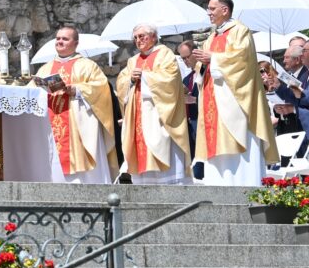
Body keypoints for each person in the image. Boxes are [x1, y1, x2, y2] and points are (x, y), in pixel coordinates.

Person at [190, 0, 279, 186]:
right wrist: (204, 63)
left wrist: (212, 58)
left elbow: (242, 60)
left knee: (239, 143)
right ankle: (218, 185)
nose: (209, 12)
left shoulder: (240, 31)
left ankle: (244, 185)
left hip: (235, 101)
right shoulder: (212, 36)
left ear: (225, 10)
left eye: (212, 9)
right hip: (213, 100)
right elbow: (202, 69)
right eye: (208, 9)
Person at [33, 27, 118, 183]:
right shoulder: (45, 68)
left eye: (65, 39)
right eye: (58, 38)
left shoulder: (87, 65)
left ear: (76, 43)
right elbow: (31, 92)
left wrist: (76, 89)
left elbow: (101, 88)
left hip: (79, 124)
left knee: (84, 174)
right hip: (52, 123)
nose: (60, 41)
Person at [116, 24, 191, 184]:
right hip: (138, 116)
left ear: (154, 37)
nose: (138, 40)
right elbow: (121, 84)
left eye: (142, 36)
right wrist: (130, 79)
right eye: (135, 37)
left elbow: (170, 81)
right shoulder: (133, 60)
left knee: (162, 155)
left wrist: (144, 76)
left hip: (158, 115)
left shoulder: (165, 54)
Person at [177, 40, 204, 180]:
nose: (186, 60)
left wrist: (194, 100)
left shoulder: (206, 72)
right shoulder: (187, 78)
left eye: (187, 57)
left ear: (195, 53)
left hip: (203, 120)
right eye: (183, 58)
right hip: (189, 121)